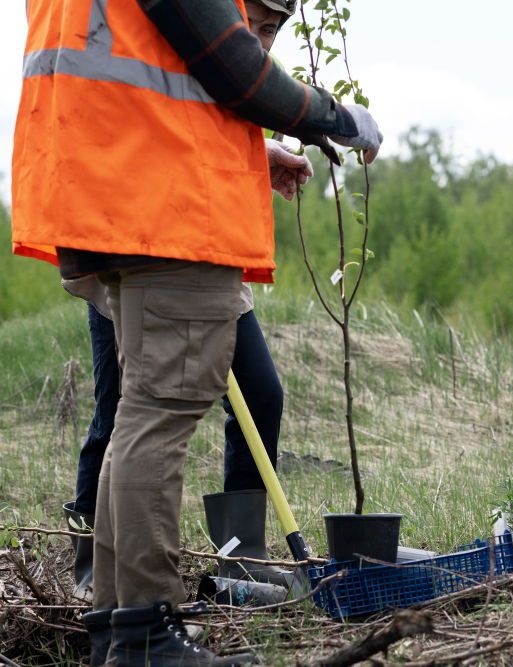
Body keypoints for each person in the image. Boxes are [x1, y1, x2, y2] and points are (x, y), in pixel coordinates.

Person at [12, 0, 382, 663]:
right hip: (164, 211)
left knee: (139, 415)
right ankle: (147, 633)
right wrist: (334, 115)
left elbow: (160, 73)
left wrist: (246, 146)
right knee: (159, 413)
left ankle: (120, 631)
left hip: (110, 196)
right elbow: (237, 66)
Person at [59, 0, 305, 606]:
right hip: (135, 228)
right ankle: (103, 575)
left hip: (199, 241)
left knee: (260, 391)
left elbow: (197, 126)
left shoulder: (222, 50)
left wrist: (258, 157)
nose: (262, 39)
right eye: (259, 23)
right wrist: (331, 118)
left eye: (274, 30)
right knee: (123, 405)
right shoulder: (198, 31)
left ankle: (239, 554)